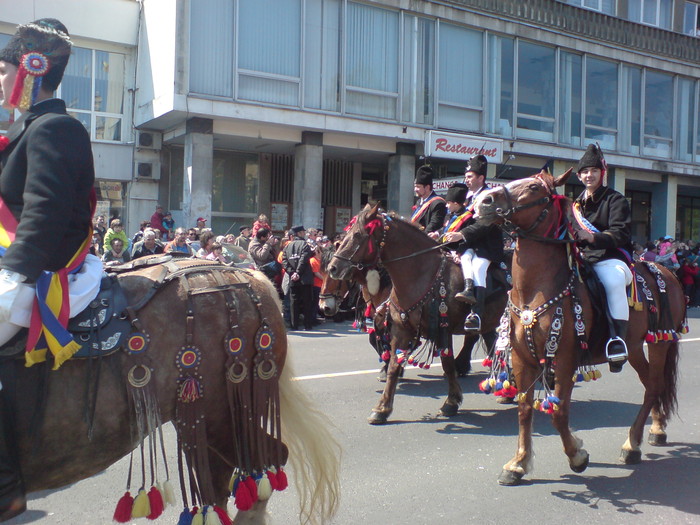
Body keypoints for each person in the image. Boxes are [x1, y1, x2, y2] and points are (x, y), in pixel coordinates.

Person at [0, 18, 104, 519]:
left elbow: (45, 210)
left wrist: (12, 273)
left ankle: (5, 486)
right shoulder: (24, 130)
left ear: (29, 71)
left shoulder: (55, 128)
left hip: (47, 272)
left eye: (2, 71)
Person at [572, 143, 634, 373]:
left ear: (602, 173)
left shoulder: (615, 200)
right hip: (581, 258)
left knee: (612, 281)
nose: (589, 175)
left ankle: (617, 341)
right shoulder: (575, 205)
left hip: (610, 257)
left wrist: (592, 238)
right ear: (579, 176)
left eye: (594, 171)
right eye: (585, 172)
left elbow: (621, 233)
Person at [442, 156, 504, 331]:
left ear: (481, 178)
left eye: (470, 176)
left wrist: (461, 235)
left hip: (487, 246)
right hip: (469, 245)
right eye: (466, 176)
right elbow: (462, 222)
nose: (466, 180)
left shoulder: (491, 197)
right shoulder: (468, 199)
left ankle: (476, 314)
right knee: (464, 259)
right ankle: (468, 290)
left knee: (478, 268)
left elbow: (484, 225)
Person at [281, 225, 315, 331]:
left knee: (293, 302)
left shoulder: (287, 246)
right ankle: (307, 325)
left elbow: (285, 261)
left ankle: (294, 325)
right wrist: (298, 273)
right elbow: (303, 260)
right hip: (305, 278)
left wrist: (292, 273)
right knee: (307, 302)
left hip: (293, 279)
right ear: (299, 233)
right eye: (303, 232)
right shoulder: (305, 244)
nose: (304, 234)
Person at [410, 165, 446, 234]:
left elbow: (433, 226)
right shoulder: (418, 202)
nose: (415, 189)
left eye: (418, 187)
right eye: (415, 186)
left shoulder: (438, 203)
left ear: (427, 187)